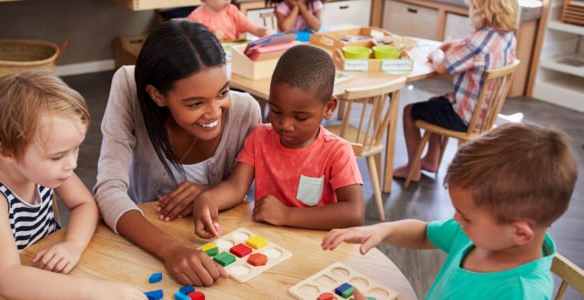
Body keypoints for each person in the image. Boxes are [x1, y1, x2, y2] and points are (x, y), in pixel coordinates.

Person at [322, 123, 578, 299]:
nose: (457, 219)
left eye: (466, 216)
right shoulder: (479, 235)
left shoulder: (521, 294)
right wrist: (381, 229)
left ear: (520, 233)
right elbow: (424, 233)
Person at [93, 21, 262, 286]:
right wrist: (170, 250)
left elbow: (247, 193)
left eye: (223, 93)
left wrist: (210, 190)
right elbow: (108, 189)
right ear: (157, 96)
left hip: (218, 246)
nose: (215, 113)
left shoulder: (246, 111)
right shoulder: (129, 86)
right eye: (195, 103)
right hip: (145, 239)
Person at [0, 71, 145, 300]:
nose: (71, 163)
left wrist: (73, 245)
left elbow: (85, 204)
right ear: (7, 152)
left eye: (76, 149)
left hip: (40, 272)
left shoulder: (40, 167)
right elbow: (6, 279)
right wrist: (95, 292)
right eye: (58, 156)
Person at [192, 44, 364, 239]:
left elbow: (353, 213)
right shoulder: (260, 137)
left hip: (315, 247)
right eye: (276, 111)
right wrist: (208, 198)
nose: (285, 125)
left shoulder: (337, 152)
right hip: (266, 242)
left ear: (329, 107)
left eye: (300, 117)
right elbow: (236, 187)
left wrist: (287, 215)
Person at [393, 0, 518, 182]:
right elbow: (472, 51)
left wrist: (436, 52)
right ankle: (430, 160)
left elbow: (442, 66)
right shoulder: (507, 37)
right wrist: (455, 44)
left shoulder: (476, 41)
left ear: (482, 12)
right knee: (434, 104)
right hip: (484, 114)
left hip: (463, 117)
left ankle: (412, 169)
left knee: (409, 112)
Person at [187, 0, 268, 41]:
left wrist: (264, 31)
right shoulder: (195, 18)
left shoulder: (232, 10)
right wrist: (211, 39)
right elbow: (193, 47)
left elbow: (255, 30)